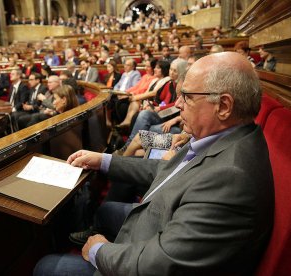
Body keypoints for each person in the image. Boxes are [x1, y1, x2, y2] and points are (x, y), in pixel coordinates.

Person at [34, 52, 275, 275]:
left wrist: (99, 251)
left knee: (46, 266)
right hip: (152, 227)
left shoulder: (230, 178)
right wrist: (105, 161)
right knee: (106, 211)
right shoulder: (222, 137)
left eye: (187, 97)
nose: (178, 104)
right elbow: (166, 169)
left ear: (223, 106)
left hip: (146, 250)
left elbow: (159, 264)